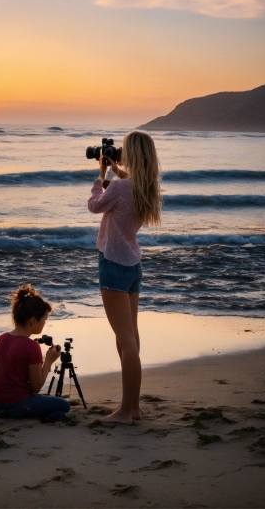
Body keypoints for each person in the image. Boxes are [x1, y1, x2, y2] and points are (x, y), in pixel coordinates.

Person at [88, 130, 161, 425]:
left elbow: (95, 205)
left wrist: (99, 178)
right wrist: (114, 170)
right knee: (130, 339)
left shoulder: (119, 188)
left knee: (126, 342)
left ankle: (124, 412)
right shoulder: (148, 187)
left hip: (113, 265)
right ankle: (133, 408)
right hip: (132, 265)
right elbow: (126, 185)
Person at [0, 284, 70, 423]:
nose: (44, 324)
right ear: (33, 320)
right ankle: (43, 419)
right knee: (64, 405)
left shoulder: (0, 339)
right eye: (44, 320)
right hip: (20, 405)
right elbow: (36, 387)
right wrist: (49, 361)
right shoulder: (32, 346)